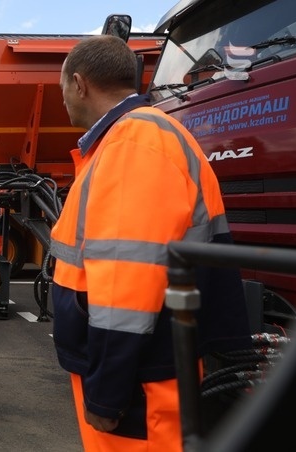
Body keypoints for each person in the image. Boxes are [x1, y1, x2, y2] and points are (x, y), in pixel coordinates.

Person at [49, 36, 250, 451]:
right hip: (148, 366)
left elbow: (126, 285)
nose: (63, 99)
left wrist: (107, 390)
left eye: (62, 88)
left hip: (143, 384)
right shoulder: (134, 138)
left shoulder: (132, 144)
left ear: (80, 84)